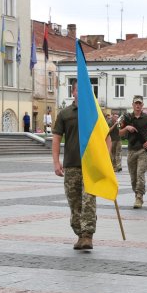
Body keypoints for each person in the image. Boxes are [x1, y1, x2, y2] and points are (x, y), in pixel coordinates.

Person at [52, 82, 107, 250]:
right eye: (79, 90)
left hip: (90, 166)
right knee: (74, 202)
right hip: (71, 165)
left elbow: (107, 138)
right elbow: (56, 138)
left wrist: (105, 161)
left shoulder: (94, 113)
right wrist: (56, 161)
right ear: (73, 92)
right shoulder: (65, 114)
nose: (82, 93)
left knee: (88, 200)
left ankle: (87, 235)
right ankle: (79, 233)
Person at [119, 95, 147, 208]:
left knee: (140, 174)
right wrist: (126, 128)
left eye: (140, 103)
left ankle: (139, 197)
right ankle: (137, 194)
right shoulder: (127, 117)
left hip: (142, 150)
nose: (138, 105)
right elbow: (119, 133)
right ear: (132, 105)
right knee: (133, 177)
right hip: (131, 150)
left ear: (142, 105)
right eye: (136, 103)